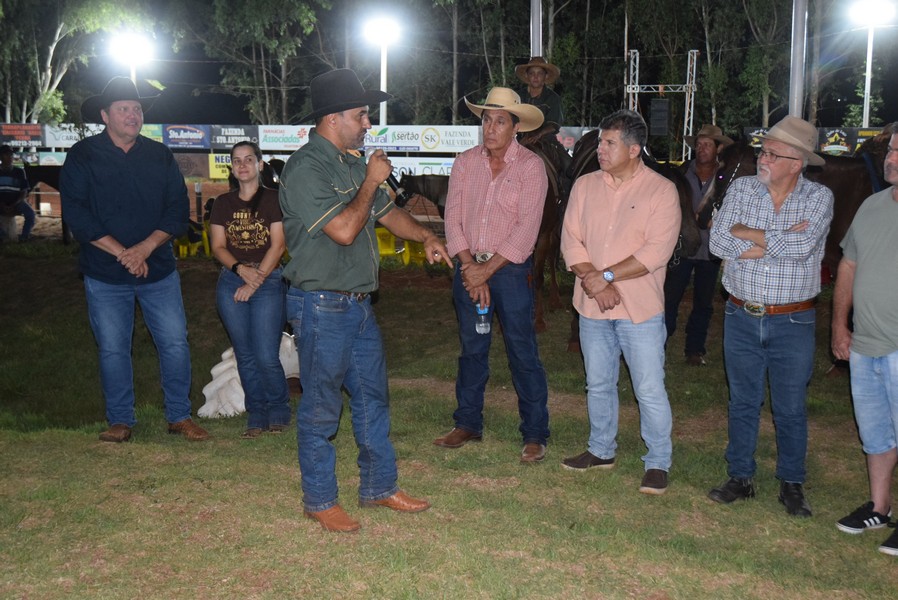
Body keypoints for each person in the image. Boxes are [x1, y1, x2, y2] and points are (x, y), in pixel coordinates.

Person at [279, 69, 450, 533]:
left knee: (373, 398)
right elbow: (344, 229)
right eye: (361, 114)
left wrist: (425, 239)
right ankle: (319, 498)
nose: (368, 122)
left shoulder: (353, 163)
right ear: (333, 118)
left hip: (357, 306)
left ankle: (379, 486)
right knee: (321, 407)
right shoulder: (305, 169)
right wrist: (373, 179)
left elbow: (389, 214)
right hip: (320, 305)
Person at [59, 77, 209, 443]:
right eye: (124, 108)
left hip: (157, 269)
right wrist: (124, 254)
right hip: (104, 274)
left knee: (175, 343)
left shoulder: (159, 155)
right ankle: (121, 420)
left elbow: (177, 211)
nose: (132, 114)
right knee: (113, 348)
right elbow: (77, 216)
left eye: (137, 109)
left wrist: (143, 249)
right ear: (105, 115)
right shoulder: (83, 155)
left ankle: (179, 416)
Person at [707, 116, 833, 516]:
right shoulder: (743, 188)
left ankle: (792, 483)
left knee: (790, 406)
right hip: (741, 314)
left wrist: (749, 233)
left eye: (773, 154)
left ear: (797, 163)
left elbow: (804, 247)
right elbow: (716, 240)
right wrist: (778, 239)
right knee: (743, 401)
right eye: (764, 151)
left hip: (793, 320)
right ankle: (740, 477)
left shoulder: (818, 198)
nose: (764, 158)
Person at [559, 109, 681, 495]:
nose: (600, 150)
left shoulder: (661, 190)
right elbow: (570, 241)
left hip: (640, 311)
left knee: (648, 388)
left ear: (634, 149)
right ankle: (600, 449)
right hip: (593, 306)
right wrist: (596, 283)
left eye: (609, 143)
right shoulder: (585, 186)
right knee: (597, 384)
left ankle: (658, 461)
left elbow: (657, 251)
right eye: (600, 142)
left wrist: (605, 276)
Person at [433, 87, 550, 463]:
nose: (490, 127)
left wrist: (485, 270)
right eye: (486, 119)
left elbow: (526, 231)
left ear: (516, 127)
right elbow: (452, 219)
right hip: (470, 269)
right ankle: (467, 421)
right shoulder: (465, 163)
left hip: (510, 271)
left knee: (522, 350)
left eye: (500, 120)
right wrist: (471, 269)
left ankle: (534, 433)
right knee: (472, 348)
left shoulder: (531, 167)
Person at [831, 129, 898, 555]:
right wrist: (839, 325)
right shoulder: (873, 206)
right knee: (875, 432)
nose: (892, 157)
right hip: (866, 343)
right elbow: (848, 266)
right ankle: (879, 506)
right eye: (891, 149)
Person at [210, 141, 291, 439]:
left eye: (248, 159)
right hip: (232, 279)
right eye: (236, 160)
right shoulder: (222, 204)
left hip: (268, 278)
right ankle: (256, 411)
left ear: (259, 164)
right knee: (244, 354)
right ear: (231, 167)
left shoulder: (274, 199)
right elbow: (218, 246)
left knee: (266, 353)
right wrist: (241, 271)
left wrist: (255, 279)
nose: (242, 165)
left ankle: (279, 408)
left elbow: (279, 245)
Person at [664, 124, 733, 366]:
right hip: (682, 247)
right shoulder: (681, 173)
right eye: (699, 144)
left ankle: (695, 349)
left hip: (711, 249)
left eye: (707, 145)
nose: (701, 149)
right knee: (670, 297)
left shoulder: (727, 178)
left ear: (719, 148)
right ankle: (660, 340)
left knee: (703, 302)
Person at [0, 144, 35, 242]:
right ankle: (2, 236)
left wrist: (15, 203)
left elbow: (24, 191)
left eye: (11, 155)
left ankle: (24, 236)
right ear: (1, 156)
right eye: (6, 154)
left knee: (30, 214)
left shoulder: (19, 171)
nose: (10, 157)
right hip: (1, 202)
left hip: (16, 201)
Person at [515, 57, 563, 126]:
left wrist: (537, 135)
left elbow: (554, 125)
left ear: (546, 76)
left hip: (545, 136)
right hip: (521, 135)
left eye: (540, 73)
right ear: (526, 75)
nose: (535, 77)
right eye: (532, 73)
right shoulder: (518, 96)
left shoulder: (553, 98)